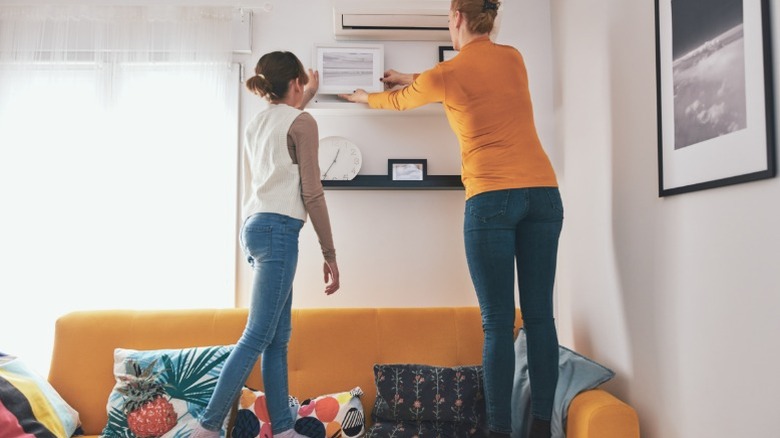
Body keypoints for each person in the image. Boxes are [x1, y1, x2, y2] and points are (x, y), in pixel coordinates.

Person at [339, 0, 562, 437]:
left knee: (498, 322)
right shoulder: (513, 58)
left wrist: (368, 97)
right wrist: (412, 76)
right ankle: (541, 428)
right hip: (543, 193)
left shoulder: (448, 75)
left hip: (491, 198)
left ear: (456, 18)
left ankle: (498, 431)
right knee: (540, 318)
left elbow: (403, 101)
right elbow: (457, 79)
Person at [192, 51, 340, 438]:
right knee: (258, 335)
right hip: (279, 232)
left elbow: (285, 126)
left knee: (277, 338)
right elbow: (313, 192)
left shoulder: (258, 122)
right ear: (296, 83)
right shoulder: (302, 123)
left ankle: (285, 429)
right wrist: (330, 253)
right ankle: (206, 427)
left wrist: (305, 94)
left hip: (254, 227)